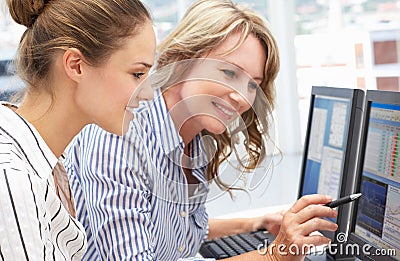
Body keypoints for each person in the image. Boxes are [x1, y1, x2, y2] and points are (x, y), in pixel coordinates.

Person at [65, 0, 338, 260]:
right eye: (229, 73)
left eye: (253, 85)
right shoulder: (121, 134)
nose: (242, 98)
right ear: (184, 58)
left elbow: (178, 233)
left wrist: (257, 223)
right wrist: (275, 255)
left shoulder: (195, 138)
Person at [0, 0, 155, 260]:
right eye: (137, 74)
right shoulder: (14, 179)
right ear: (76, 66)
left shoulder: (49, 165)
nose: (148, 94)